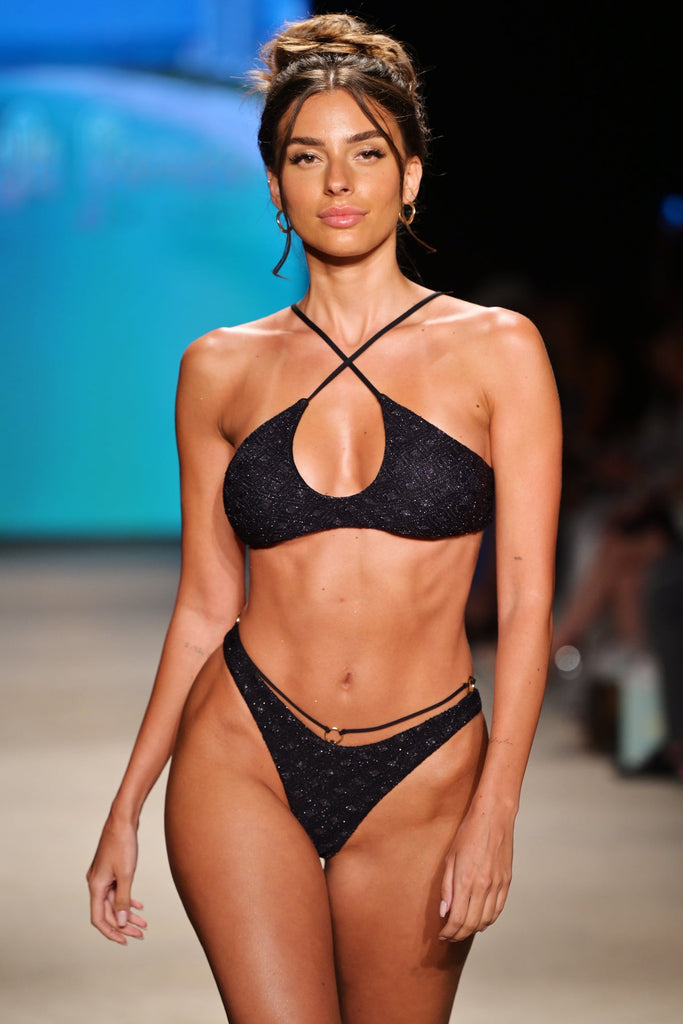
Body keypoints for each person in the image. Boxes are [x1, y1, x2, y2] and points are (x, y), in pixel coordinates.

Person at [87, 13, 562, 1023]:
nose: (337, 181)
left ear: (410, 175)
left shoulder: (498, 351)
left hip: (424, 769)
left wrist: (496, 809)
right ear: (274, 185)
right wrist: (127, 802)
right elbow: (204, 603)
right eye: (306, 156)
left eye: (366, 153)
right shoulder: (218, 367)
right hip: (242, 754)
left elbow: (527, 604)